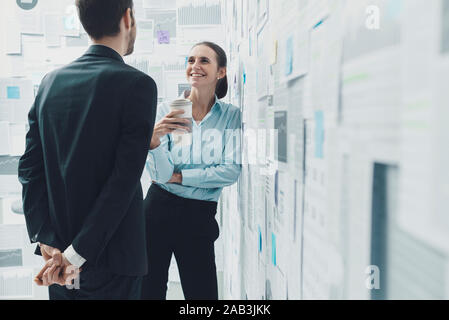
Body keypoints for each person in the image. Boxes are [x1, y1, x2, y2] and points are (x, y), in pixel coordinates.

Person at [17, 0, 157, 300]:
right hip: (114, 262)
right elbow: (123, 182)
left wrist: (48, 241)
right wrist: (75, 254)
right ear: (128, 17)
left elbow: (29, 169)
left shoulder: (49, 83)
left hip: (58, 261)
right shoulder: (139, 85)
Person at [141, 41, 242, 300]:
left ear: (221, 72)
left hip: (199, 217)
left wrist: (182, 176)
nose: (195, 66)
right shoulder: (168, 111)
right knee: (149, 292)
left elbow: (230, 171)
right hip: (157, 211)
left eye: (204, 61)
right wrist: (153, 142)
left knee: (203, 296)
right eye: (191, 60)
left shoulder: (230, 115)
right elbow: (161, 175)